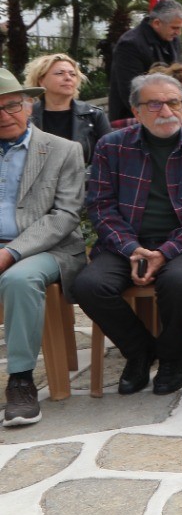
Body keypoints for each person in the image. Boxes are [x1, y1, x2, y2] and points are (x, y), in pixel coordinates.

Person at [73, 73, 182, 395]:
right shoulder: (111, 147)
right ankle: (140, 351)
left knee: (178, 281)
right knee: (88, 286)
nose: (166, 111)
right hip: (128, 242)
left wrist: (165, 252)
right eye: (154, 104)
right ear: (136, 111)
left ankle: (171, 359)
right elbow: (100, 206)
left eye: (174, 102)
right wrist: (132, 248)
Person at [0, 69, 87, 427]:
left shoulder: (63, 150)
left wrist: (9, 253)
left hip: (48, 249)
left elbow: (64, 216)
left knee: (19, 280)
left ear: (30, 105)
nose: (4, 115)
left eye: (12, 106)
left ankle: (21, 382)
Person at [107, 0, 182, 123]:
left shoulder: (173, 40)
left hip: (166, 114)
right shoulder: (130, 44)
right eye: (174, 28)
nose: (178, 33)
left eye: (180, 28)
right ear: (156, 23)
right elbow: (130, 91)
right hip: (133, 119)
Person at [24, 52, 110, 164]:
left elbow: (109, 156)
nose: (68, 78)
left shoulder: (94, 115)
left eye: (73, 74)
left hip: (83, 180)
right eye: (60, 73)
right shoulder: (26, 115)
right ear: (41, 81)